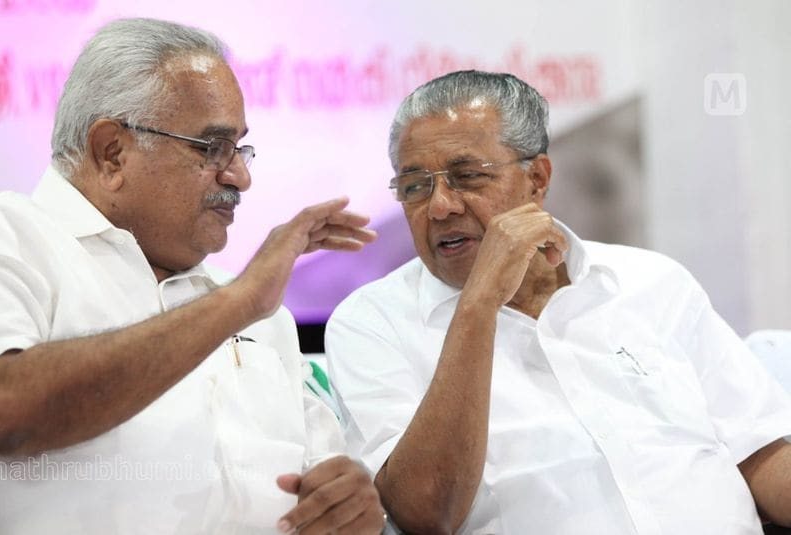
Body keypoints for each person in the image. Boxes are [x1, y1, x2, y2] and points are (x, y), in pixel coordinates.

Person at [0, 18, 385, 534]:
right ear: (112, 152)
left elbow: (326, 480)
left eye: (240, 148)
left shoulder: (258, 311)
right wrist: (236, 303)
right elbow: (4, 411)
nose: (240, 176)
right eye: (212, 148)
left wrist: (350, 502)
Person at [325, 70, 791, 534]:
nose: (441, 206)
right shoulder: (372, 322)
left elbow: (760, 451)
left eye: (467, 177)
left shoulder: (651, 281)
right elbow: (425, 513)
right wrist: (480, 303)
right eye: (415, 187)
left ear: (537, 179)